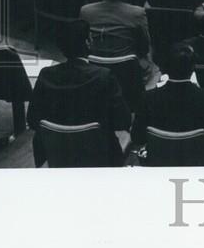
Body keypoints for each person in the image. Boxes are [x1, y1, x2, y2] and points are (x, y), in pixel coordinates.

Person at [27, 19, 131, 167]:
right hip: (100, 156)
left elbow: (32, 119)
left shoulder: (45, 75)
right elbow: (123, 120)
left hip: (58, 154)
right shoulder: (104, 76)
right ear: (88, 42)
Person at [130, 42, 204, 165]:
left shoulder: (148, 98)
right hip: (200, 159)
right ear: (193, 68)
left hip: (161, 160)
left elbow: (137, 137)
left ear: (165, 68)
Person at [80, 0, 151, 63]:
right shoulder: (137, 13)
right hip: (130, 68)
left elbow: (83, 44)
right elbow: (144, 48)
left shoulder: (85, 11)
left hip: (94, 66)